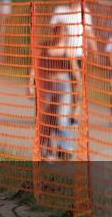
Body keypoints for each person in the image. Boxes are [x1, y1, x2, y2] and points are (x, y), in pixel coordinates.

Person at [33, 26, 80, 161]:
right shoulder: (45, 47)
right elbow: (34, 66)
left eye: (63, 32)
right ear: (54, 33)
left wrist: (79, 84)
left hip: (63, 85)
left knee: (60, 118)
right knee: (46, 119)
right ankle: (46, 150)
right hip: (46, 85)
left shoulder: (67, 49)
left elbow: (74, 69)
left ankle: (66, 147)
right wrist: (31, 83)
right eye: (58, 32)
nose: (61, 35)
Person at [49, 0, 89, 97]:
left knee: (76, 86)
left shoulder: (84, 12)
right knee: (63, 86)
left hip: (79, 53)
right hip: (62, 53)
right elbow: (53, 30)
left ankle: (76, 111)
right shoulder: (60, 10)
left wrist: (94, 50)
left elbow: (89, 32)